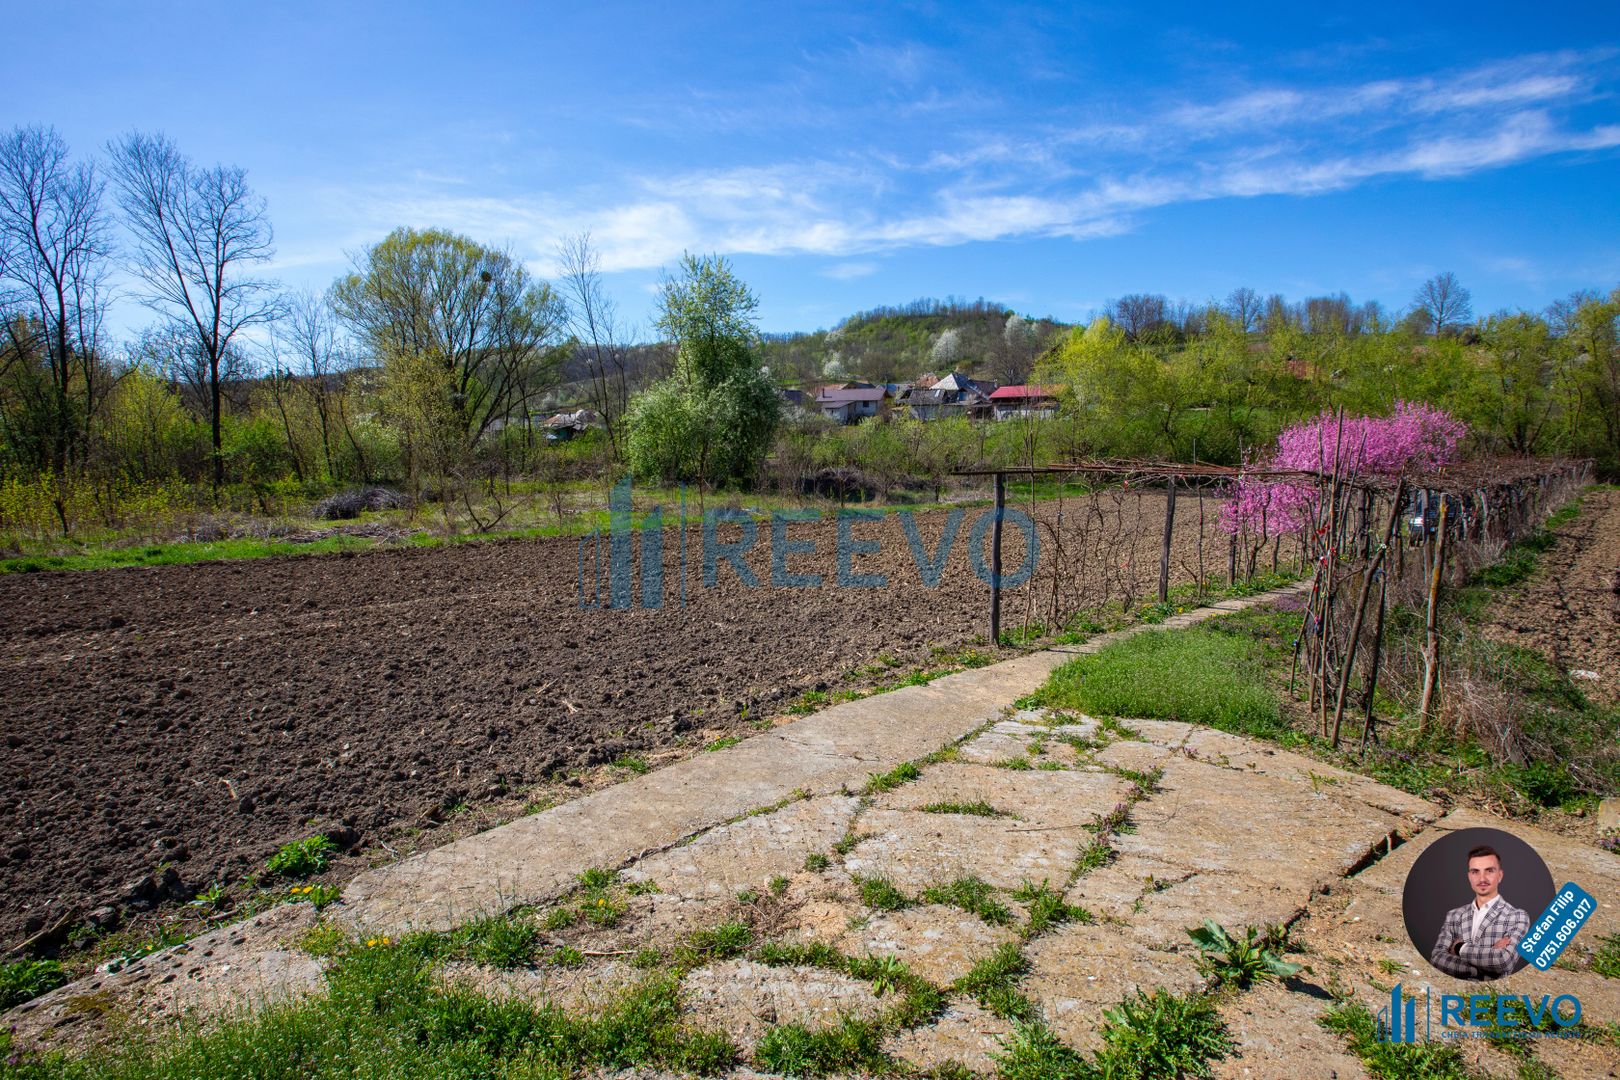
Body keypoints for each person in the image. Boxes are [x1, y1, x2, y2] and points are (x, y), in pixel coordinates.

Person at [1429, 845, 1530, 980]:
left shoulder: (1517, 916)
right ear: (1469, 876)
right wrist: (1478, 970)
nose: (1482, 878)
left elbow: (1503, 961)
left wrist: (1459, 948)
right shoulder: (1454, 915)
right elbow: (1437, 958)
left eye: (1489, 871)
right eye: (1475, 872)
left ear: (1500, 875)